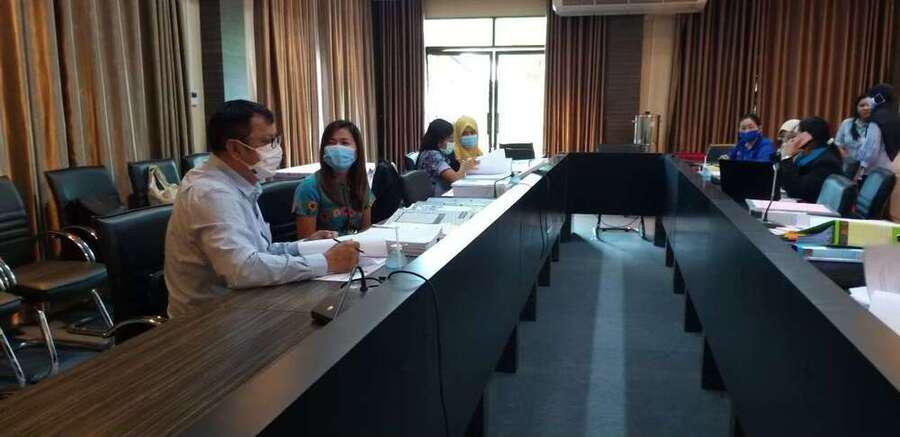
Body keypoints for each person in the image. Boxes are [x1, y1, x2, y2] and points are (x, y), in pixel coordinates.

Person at [165, 100, 359, 317]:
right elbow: (243, 269)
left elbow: (260, 251)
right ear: (235, 148)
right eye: (267, 142)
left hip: (243, 305)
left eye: (275, 140)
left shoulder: (240, 182)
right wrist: (326, 262)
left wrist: (305, 246)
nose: (276, 150)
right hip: (206, 322)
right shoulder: (210, 193)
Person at [293, 120, 375, 239]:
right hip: (324, 250)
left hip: (357, 246)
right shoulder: (309, 188)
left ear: (357, 150)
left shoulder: (360, 182)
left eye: (344, 143)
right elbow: (305, 242)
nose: (337, 147)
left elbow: (366, 232)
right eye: (331, 143)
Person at [777, 116, 843, 203]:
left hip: (811, 206)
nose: (794, 139)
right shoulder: (805, 155)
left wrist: (787, 157)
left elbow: (797, 191)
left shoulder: (826, 162)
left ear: (806, 137)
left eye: (798, 134)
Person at [834, 95, 894, 181]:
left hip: (870, 172)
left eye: (869, 105)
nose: (865, 108)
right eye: (862, 105)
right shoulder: (847, 123)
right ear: (856, 108)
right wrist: (848, 160)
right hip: (848, 169)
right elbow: (838, 143)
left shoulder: (879, 127)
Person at [417, 118, 477, 196]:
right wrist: (464, 167)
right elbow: (456, 180)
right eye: (449, 139)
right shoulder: (432, 156)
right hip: (436, 197)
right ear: (439, 139)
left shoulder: (431, 152)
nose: (452, 142)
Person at [868, 83, 900, 162]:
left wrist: (863, 165)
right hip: (893, 162)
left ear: (879, 97)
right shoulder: (896, 116)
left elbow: (872, 147)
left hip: (876, 164)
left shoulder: (877, 117)